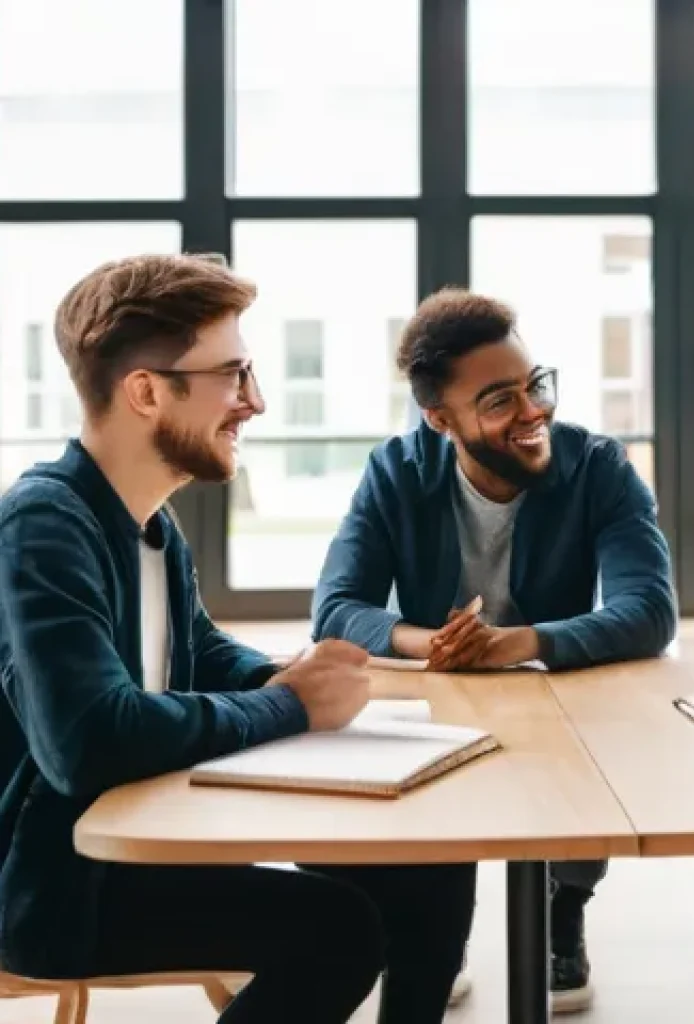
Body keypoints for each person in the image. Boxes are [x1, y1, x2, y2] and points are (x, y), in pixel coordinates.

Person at [0, 255, 474, 1024]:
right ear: (147, 392)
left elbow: (196, 652)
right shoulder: (45, 524)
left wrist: (293, 674)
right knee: (337, 931)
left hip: (141, 832)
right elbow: (88, 738)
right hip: (58, 888)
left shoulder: (148, 521)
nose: (255, 401)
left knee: (426, 862)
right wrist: (291, 706)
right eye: (235, 374)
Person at [312, 286, 678, 1012]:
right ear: (440, 419)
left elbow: (650, 610)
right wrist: (432, 643)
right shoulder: (395, 471)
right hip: (443, 690)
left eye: (534, 384)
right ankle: (439, 928)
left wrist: (522, 644)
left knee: (581, 759)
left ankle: (562, 905)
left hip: (556, 681)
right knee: (421, 802)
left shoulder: (598, 466)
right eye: (501, 400)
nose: (533, 410)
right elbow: (335, 611)